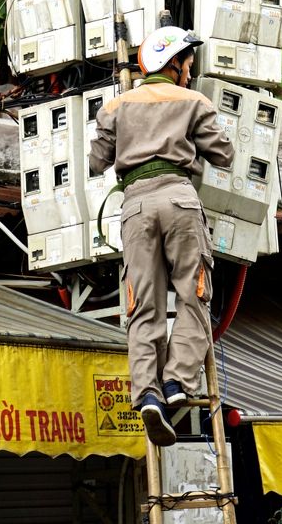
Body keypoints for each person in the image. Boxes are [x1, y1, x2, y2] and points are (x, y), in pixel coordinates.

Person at [88, 26, 234, 447]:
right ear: (173, 65)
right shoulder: (194, 101)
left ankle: (148, 393)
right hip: (180, 201)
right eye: (187, 64)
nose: (189, 72)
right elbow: (224, 154)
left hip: (135, 208)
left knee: (141, 304)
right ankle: (176, 382)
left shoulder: (116, 106)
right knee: (194, 294)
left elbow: (96, 161)